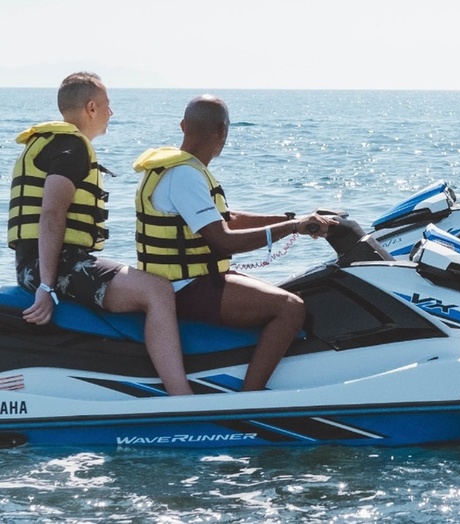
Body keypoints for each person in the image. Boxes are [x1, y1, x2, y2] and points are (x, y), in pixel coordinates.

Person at [133, 94, 336, 392]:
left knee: (282, 291)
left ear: (183, 126)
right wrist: (292, 226)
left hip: (186, 279)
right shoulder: (185, 175)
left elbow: (228, 218)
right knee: (291, 308)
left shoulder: (176, 168)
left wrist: (293, 219)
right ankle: (249, 396)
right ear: (222, 132)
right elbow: (223, 240)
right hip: (186, 287)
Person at [7, 72, 194, 395]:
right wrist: (47, 287)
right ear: (91, 108)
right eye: (108, 105)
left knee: (143, 282)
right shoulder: (71, 146)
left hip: (47, 261)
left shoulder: (52, 142)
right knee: (158, 291)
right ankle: (182, 396)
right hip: (51, 265)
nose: (112, 113)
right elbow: (52, 213)